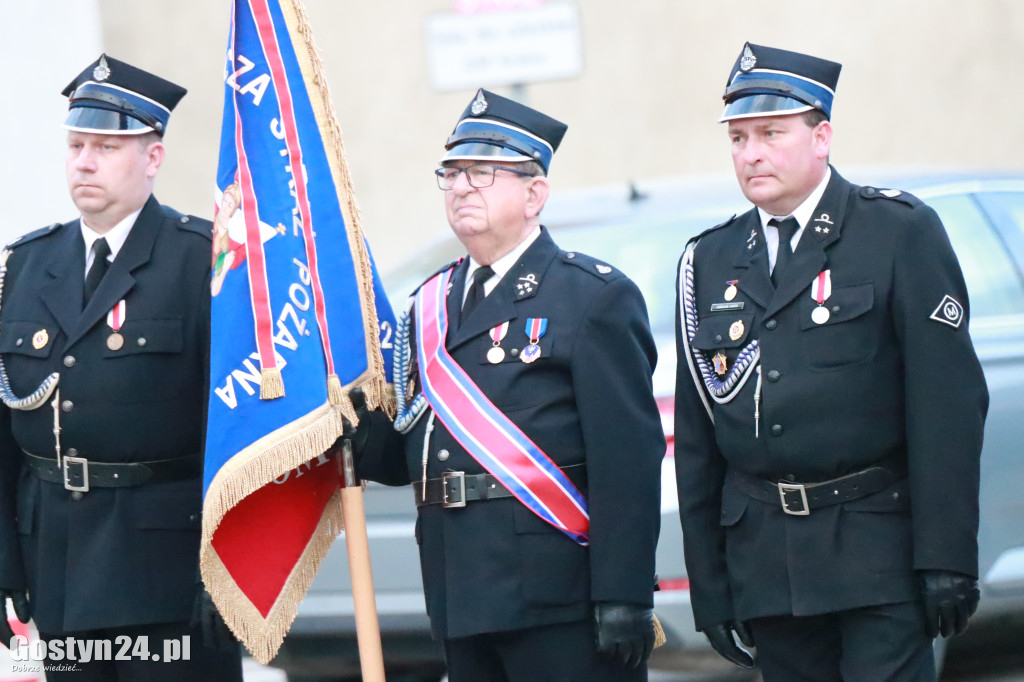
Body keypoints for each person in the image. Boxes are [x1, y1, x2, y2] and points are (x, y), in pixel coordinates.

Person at [673, 42, 989, 681]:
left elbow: (948, 408)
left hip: (878, 550)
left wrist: (946, 557)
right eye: (738, 138)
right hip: (767, 561)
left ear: (822, 138)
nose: (751, 153)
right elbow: (699, 440)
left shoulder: (896, 232)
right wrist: (710, 584)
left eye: (771, 133)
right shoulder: (709, 260)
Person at [346, 88, 666, 681]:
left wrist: (624, 593)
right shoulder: (429, 305)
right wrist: (353, 424)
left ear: (534, 194)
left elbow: (628, 459)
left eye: (483, 172)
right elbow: (411, 452)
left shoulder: (591, 297)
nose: (462, 187)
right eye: (452, 173)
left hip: (558, 594)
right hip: (459, 589)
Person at [0, 54, 242, 681]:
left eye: (106, 147)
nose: (84, 162)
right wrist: (3, 563)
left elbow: (238, 432)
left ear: (153, 158)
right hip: (56, 566)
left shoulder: (204, 261)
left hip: (168, 577)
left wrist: (228, 575)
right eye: (76, 145)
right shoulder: (27, 265)